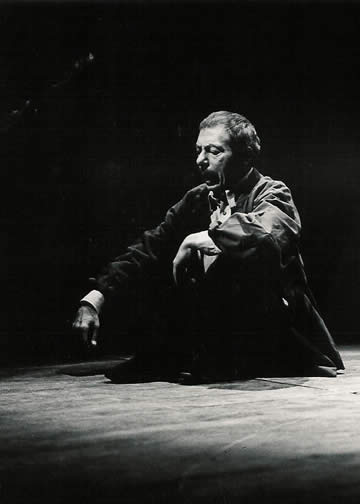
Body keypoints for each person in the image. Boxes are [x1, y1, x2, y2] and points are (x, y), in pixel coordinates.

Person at [73, 111, 344, 383]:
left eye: (214, 151)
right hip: (216, 327)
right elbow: (150, 245)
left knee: (231, 263)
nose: (200, 160)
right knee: (162, 267)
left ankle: (205, 358)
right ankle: (169, 356)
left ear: (245, 156)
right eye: (198, 150)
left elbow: (265, 235)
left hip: (273, 329)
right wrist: (96, 297)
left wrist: (201, 238)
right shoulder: (198, 199)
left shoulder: (272, 192)